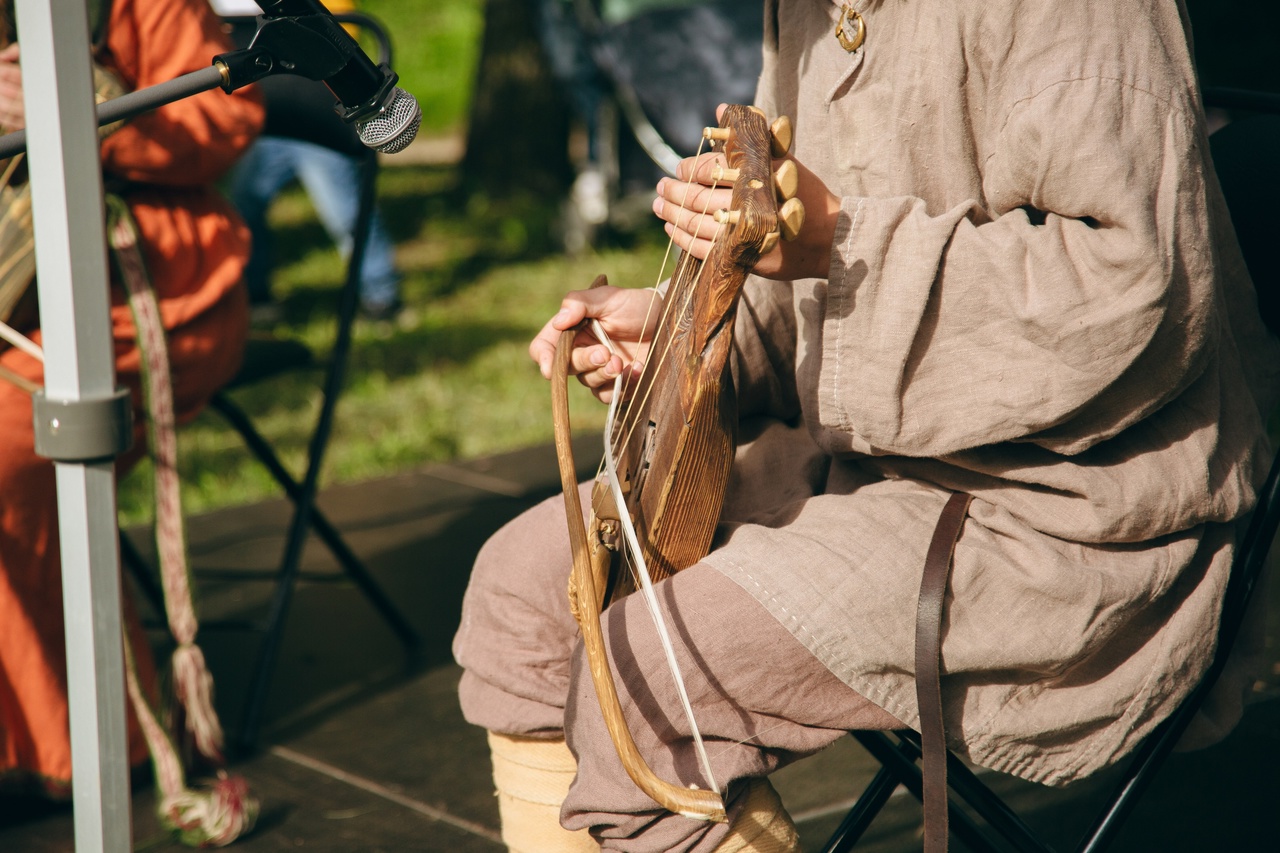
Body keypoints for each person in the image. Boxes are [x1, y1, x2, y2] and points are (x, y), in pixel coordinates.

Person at [453, 0, 1280, 851]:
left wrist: (841, 240)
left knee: (653, 678)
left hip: (1072, 514)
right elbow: (797, 301)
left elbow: (1128, 292)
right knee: (523, 588)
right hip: (861, 462)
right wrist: (682, 334)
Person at [0, 0, 263, 799]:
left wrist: (86, 110)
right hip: (23, 296)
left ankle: (67, 747)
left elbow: (229, 117)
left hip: (151, 289)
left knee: (10, 438)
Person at [214, 0, 403, 323]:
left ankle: (381, 294)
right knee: (246, 203)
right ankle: (257, 294)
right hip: (265, 98)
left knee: (344, 209)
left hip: (318, 95)